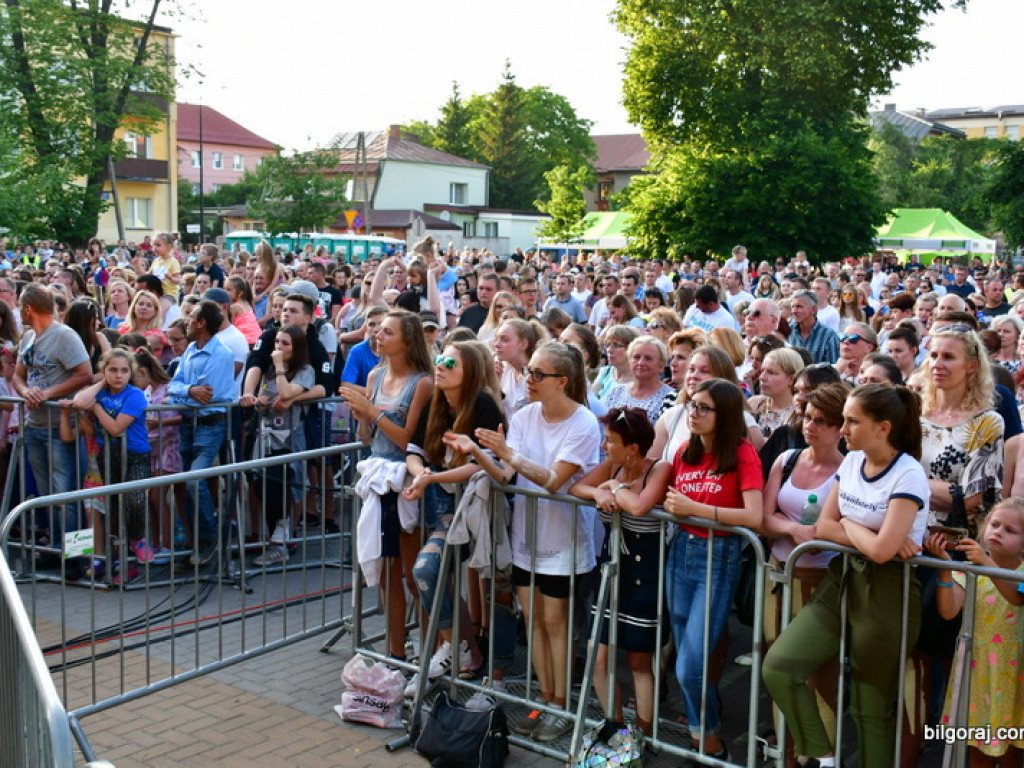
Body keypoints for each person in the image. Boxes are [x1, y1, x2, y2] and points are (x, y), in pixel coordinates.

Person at [763, 384, 929, 768]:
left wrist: (851, 526)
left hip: (887, 590)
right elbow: (824, 526)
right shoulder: (852, 461)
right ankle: (823, 756)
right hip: (841, 578)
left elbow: (882, 552)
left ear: (883, 427)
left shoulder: (908, 474)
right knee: (779, 666)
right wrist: (864, 530)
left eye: (853, 421)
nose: (843, 429)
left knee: (870, 709)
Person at [454, 341, 601, 743]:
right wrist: (479, 453)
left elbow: (553, 480)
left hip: (564, 539)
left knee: (556, 625)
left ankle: (560, 707)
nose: (529, 379)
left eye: (538, 374)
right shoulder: (523, 414)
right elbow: (506, 475)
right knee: (533, 621)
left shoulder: (584, 422)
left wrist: (508, 455)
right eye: (529, 372)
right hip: (526, 537)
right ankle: (544, 698)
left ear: (563, 381)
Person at [661, 379, 763, 761]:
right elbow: (666, 496)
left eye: (705, 407)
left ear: (726, 414)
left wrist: (697, 510)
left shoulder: (742, 453)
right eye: (693, 405)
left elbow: (754, 515)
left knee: (690, 664)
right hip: (681, 553)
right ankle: (700, 732)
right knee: (686, 657)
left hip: (717, 556)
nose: (694, 413)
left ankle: (710, 738)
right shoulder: (685, 450)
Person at [401, 341, 505, 701]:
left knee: (429, 572)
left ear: (470, 371)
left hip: (477, 513)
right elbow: (414, 453)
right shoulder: (437, 401)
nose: (440, 366)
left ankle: (467, 657)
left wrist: (431, 477)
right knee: (431, 575)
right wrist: (420, 475)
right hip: (443, 510)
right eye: (438, 359)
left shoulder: (483, 404)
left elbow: (483, 466)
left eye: (449, 362)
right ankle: (462, 649)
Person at [569, 407, 671, 740]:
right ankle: (615, 727)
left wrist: (613, 487)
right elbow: (576, 488)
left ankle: (643, 735)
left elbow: (641, 506)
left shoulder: (660, 468)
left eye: (610, 441)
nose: (604, 447)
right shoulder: (613, 465)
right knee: (598, 657)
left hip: (645, 578)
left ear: (633, 447)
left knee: (640, 663)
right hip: (611, 575)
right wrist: (600, 490)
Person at [338, 310, 434, 666]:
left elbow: (408, 438)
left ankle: (427, 651)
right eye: (378, 330)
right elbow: (369, 438)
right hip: (378, 480)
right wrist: (364, 419)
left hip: (407, 481)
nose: (378, 335)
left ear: (407, 341)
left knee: (413, 574)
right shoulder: (375, 374)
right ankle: (395, 652)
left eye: (387, 331)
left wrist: (373, 412)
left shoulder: (423, 382)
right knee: (387, 574)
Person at [759, 384, 847, 763]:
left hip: (822, 582)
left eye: (821, 420)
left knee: (817, 677)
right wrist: (793, 529)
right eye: (807, 417)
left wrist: (814, 533)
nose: (810, 426)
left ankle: (820, 756)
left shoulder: (850, 471)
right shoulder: (788, 460)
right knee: (775, 670)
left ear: (841, 426)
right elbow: (762, 518)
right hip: (778, 576)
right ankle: (786, 754)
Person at [924, 498, 1024, 767]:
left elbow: (1017, 596)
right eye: (994, 524)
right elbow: (948, 611)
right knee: (978, 750)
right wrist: (946, 565)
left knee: (1014, 751)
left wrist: (983, 561)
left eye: (1010, 530)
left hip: (1016, 674)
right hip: (980, 673)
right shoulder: (970, 571)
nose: (998, 532)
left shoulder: (1020, 573)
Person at [12, 283, 92, 541]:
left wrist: (47, 393)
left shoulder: (64, 335)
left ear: (27, 308)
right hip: (35, 425)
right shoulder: (27, 338)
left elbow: (85, 374)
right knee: (46, 495)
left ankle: (76, 558)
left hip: (61, 428)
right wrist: (26, 392)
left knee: (67, 495)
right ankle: (56, 548)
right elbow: (18, 375)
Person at [67, 348, 153, 580]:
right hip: (108, 454)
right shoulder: (102, 391)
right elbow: (79, 400)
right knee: (113, 509)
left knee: (134, 500)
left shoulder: (134, 395)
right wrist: (99, 385)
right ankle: (119, 562)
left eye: (124, 371)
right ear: (104, 371)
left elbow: (116, 427)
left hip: (135, 454)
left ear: (130, 373)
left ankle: (137, 539)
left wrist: (95, 407)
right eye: (113, 370)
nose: (118, 375)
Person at [167, 300, 237, 566]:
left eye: (191, 316)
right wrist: (189, 391)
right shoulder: (190, 351)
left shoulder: (222, 354)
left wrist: (188, 392)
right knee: (189, 486)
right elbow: (175, 387)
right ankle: (197, 538)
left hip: (209, 425)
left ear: (202, 322)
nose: (186, 320)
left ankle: (210, 537)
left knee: (196, 481)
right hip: (188, 426)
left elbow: (209, 396)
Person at [239, 325, 316, 566]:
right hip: (265, 439)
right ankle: (277, 535)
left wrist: (281, 367)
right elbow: (270, 398)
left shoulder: (305, 370)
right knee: (260, 483)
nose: (278, 348)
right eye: (277, 343)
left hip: (289, 441)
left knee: (278, 484)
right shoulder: (269, 370)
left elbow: (285, 394)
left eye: (285, 344)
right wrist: (258, 401)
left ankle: (282, 537)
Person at [601, 335, 674, 424]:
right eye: (636, 357)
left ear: (661, 365)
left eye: (648, 358)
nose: (641, 363)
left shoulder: (670, 398)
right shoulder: (616, 392)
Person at [592, 325, 640, 401]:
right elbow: (591, 400)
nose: (609, 350)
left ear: (631, 349)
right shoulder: (605, 372)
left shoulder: (639, 379)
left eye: (616, 345)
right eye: (608, 345)